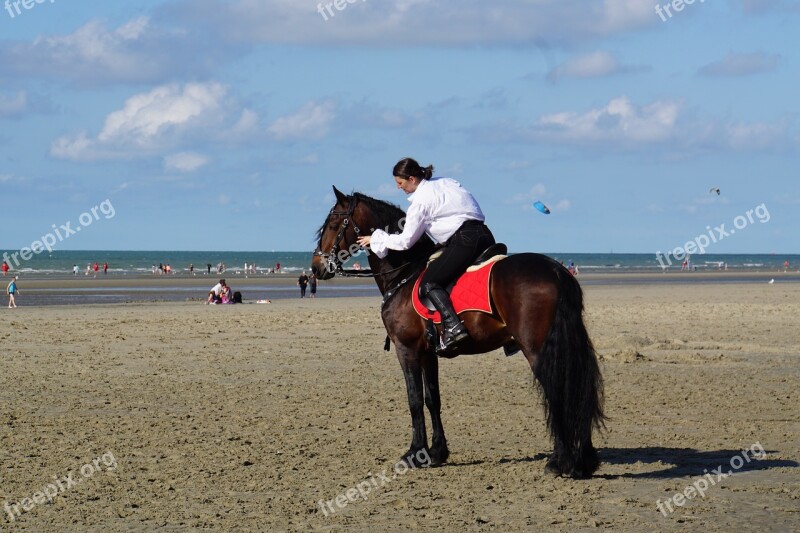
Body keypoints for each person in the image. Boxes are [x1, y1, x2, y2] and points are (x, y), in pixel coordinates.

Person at [356, 157, 495, 354]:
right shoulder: (446, 182)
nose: (399, 188)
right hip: (485, 235)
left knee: (429, 283)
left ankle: (454, 326)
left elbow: (405, 242)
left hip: (464, 241)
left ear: (412, 179)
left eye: (400, 183)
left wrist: (377, 238)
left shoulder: (420, 202)